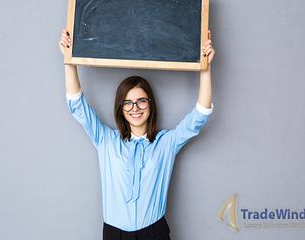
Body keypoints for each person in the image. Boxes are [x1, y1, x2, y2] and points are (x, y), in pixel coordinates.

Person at [59, 28, 215, 240]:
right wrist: (68, 61)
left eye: (141, 100)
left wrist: (205, 68)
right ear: (121, 108)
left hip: (154, 233)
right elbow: (77, 104)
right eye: (128, 102)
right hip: (115, 234)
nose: (135, 108)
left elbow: (201, 113)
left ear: (150, 104)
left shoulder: (166, 143)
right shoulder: (106, 140)